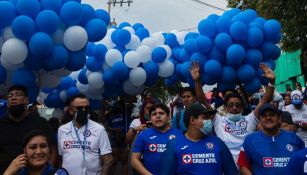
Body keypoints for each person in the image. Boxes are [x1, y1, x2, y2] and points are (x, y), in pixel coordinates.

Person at [192, 62, 276, 164]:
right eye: (231, 105)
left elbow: (265, 100)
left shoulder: (250, 119)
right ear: (226, 108)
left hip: (248, 165)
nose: (235, 108)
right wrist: (197, 81)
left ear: (242, 107)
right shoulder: (218, 120)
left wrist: (271, 82)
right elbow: (203, 101)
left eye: (238, 105)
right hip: (225, 166)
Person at [160, 103, 237, 175]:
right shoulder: (174, 145)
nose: (209, 121)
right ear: (193, 120)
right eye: (205, 118)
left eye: (209, 118)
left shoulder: (218, 143)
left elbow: (232, 172)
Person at [0, 85, 56, 174]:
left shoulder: (41, 123)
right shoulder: (1, 124)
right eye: (10, 96)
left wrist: (48, 172)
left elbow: (52, 150)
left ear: (26, 100)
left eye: (18, 94)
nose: (13, 98)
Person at [237, 103, 305, 175]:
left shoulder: (294, 138)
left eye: (272, 115)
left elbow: (303, 161)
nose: (268, 117)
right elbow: (243, 165)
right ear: (260, 119)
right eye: (264, 115)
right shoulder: (250, 140)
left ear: (279, 118)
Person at [57, 93, 113, 175]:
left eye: (86, 108)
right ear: (71, 110)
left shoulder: (99, 129)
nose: (83, 111)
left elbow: (108, 158)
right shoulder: (62, 130)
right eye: (79, 108)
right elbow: (61, 157)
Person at [131, 103, 181, 175]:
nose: (158, 116)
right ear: (150, 118)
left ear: (168, 117)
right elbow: (134, 160)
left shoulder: (179, 135)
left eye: (161, 113)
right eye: (154, 114)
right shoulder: (143, 135)